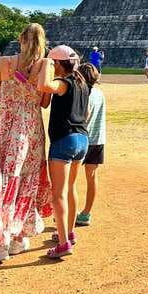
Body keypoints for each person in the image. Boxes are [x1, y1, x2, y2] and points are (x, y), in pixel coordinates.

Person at [0, 23, 54, 262]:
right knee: (26, 181)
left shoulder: (4, 63)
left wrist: (10, 93)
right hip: (32, 130)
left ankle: (0, 243)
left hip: (7, 129)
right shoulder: (45, 65)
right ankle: (17, 237)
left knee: (4, 180)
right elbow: (44, 102)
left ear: (20, 38)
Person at [38, 45, 90, 258]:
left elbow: (44, 86)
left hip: (64, 140)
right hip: (82, 139)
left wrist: (45, 65)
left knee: (58, 193)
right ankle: (69, 231)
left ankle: (63, 243)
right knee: (70, 189)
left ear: (58, 64)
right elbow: (86, 113)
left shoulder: (64, 83)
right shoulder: (82, 83)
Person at [75, 63, 106, 228]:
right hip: (98, 139)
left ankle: (70, 212)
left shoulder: (82, 93)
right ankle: (86, 213)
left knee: (70, 179)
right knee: (92, 177)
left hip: (82, 138)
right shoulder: (99, 93)